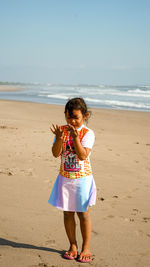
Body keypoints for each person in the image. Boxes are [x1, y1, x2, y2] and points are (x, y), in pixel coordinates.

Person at [48, 97, 96, 263]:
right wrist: (60, 138)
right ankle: (73, 245)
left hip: (82, 180)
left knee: (83, 214)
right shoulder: (61, 130)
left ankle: (86, 247)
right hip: (65, 179)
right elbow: (55, 153)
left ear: (85, 115)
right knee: (67, 213)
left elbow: (83, 155)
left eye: (76, 117)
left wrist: (75, 138)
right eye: (69, 117)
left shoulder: (88, 133)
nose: (72, 121)